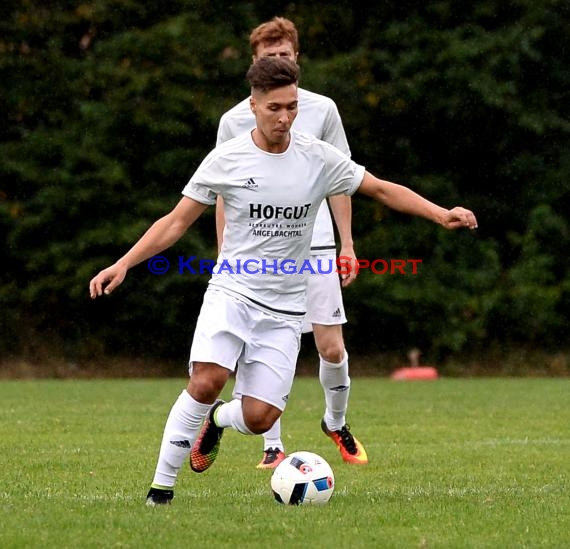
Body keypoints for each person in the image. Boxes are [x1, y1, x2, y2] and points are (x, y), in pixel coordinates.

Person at [89, 57, 478, 506]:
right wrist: (124, 263)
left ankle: (217, 422)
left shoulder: (317, 157)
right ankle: (161, 492)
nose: (284, 117)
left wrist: (439, 213)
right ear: (252, 106)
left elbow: (381, 188)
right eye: (274, 107)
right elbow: (175, 222)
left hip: (286, 308)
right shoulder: (227, 158)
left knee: (258, 418)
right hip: (233, 291)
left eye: (291, 107)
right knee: (207, 380)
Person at [216, 17, 367, 470]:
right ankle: (271, 446)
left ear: (296, 58)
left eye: (284, 56)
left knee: (331, 347)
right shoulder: (233, 121)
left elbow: (342, 181)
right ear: (254, 64)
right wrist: (226, 254)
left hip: (317, 246)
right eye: (268, 58)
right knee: (257, 343)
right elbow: (223, 192)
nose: (277, 63)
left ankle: (335, 422)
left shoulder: (321, 110)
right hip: (258, 252)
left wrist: (347, 243)